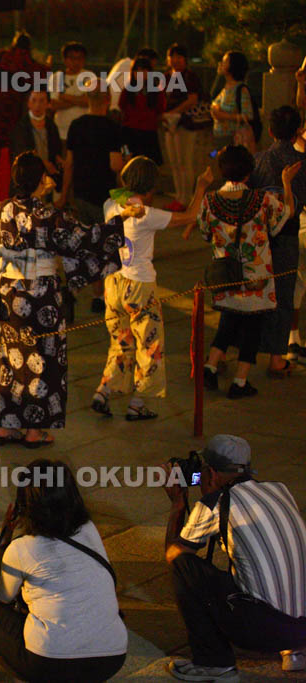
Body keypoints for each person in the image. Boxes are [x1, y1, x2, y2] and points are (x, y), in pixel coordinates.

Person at [0, 152, 138, 448]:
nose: (51, 178)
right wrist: (121, 220)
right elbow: (86, 237)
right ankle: (35, 430)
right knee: (44, 360)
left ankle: (6, 426)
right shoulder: (49, 217)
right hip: (40, 295)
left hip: (10, 293)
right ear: (37, 180)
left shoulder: (3, 208)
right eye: (46, 174)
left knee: (14, 358)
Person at [163, 435, 306, 680]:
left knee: (184, 565)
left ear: (210, 473)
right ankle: (295, 652)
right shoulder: (279, 489)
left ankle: (214, 662)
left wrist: (178, 504)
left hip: (264, 632)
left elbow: (174, 555)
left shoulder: (215, 503)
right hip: (302, 628)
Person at [0, 459, 127, 682]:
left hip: (49, 664)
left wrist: (4, 544)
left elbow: (3, 597)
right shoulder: (88, 529)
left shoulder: (21, 548)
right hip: (111, 659)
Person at [92, 158, 212, 420]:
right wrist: (201, 186)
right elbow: (190, 216)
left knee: (120, 340)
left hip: (113, 282)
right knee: (150, 344)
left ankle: (104, 389)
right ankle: (138, 402)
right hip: (140, 285)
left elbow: (121, 197)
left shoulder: (110, 205)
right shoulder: (146, 215)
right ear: (150, 188)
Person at [189, 145, 298, 398]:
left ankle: (210, 367)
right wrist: (286, 183)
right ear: (249, 173)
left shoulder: (210, 200)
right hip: (255, 277)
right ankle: (240, 382)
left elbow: (205, 232)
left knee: (229, 320)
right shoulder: (262, 200)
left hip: (225, 275)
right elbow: (286, 216)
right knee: (252, 327)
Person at [249, 106, 306, 377]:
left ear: (270, 130)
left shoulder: (258, 160)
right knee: (283, 295)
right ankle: (276, 356)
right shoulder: (300, 163)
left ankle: (245, 353)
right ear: (298, 131)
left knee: (256, 291)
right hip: (287, 236)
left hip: (259, 236)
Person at [60, 84, 125, 226]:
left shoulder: (76, 125)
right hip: (103, 195)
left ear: (87, 98)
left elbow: (69, 163)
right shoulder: (112, 127)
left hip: (80, 194)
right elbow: (116, 165)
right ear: (108, 99)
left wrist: (64, 195)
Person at [0, 32, 53, 156]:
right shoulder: (29, 61)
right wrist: (48, 65)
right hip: (18, 110)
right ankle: (15, 172)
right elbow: (43, 73)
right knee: (15, 145)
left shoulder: (1, 56)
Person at [161, 44, 207, 211]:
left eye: (179, 57)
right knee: (174, 162)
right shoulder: (166, 77)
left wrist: (173, 112)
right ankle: (179, 196)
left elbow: (192, 99)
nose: (176, 60)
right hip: (169, 124)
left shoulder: (190, 77)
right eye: (172, 56)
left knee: (185, 162)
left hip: (186, 124)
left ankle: (187, 198)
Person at [11, 90, 64, 195]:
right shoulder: (21, 126)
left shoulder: (51, 125)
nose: (37, 105)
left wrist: (59, 160)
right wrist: (43, 163)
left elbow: (56, 148)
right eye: (34, 100)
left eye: (42, 101)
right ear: (28, 103)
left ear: (48, 104)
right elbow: (21, 152)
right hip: (27, 177)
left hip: (47, 177)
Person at [119, 57, 166, 165]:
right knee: (128, 163)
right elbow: (122, 108)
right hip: (129, 133)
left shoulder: (156, 92)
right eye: (137, 70)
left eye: (144, 70)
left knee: (150, 165)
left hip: (149, 134)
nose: (140, 73)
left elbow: (160, 111)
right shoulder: (127, 91)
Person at [210, 51, 254, 153]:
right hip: (218, 139)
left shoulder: (241, 90)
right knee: (213, 157)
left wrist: (223, 115)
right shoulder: (224, 87)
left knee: (226, 164)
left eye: (224, 62)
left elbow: (248, 115)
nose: (220, 64)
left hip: (232, 140)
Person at [50, 42, 89, 143]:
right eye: (72, 58)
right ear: (65, 60)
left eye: (79, 58)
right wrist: (79, 99)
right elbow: (53, 104)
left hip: (84, 130)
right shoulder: (57, 77)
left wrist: (64, 97)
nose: (76, 62)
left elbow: (88, 102)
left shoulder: (89, 77)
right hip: (61, 130)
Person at [107, 46, 159, 114]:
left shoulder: (123, 63)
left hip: (108, 109)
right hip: (117, 112)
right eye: (149, 68)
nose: (149, 72)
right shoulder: (132, 71)